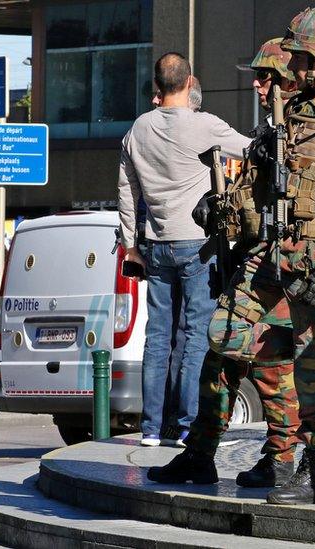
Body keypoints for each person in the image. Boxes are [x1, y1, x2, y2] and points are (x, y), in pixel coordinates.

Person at [148, 8, 315, 507]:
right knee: (224, 339)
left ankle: (308, 467)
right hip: (270, 252)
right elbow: (263, 185)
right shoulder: (294, 114)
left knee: (314, 367)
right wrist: (224, 208)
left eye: (297, 59)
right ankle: (201, 451)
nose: (289, 70)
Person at [181, 37, 305, 488]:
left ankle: (282, 457)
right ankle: (203, 453)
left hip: (291, 265)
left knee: (271, 365)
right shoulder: (269, 133)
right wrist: (220, 208)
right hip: (256, 258)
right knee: (225, 355)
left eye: (267, 77)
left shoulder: (304, 131)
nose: (257, 85)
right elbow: (252, 201)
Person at [118, 52, 251, 448]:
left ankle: (151, 429)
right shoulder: (204, 125)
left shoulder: (137, 130)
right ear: (190, 82)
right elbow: (253, 149)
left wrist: (130, 245)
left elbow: (127, 193)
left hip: (155, 244)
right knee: (195, 335)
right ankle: (189, 424)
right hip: (196, 243)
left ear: (157, 86)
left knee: (158, 336)